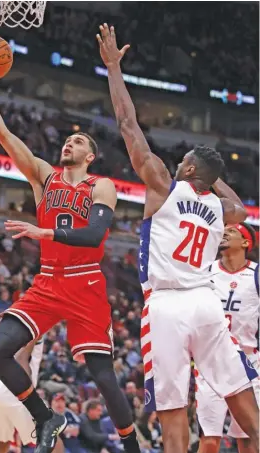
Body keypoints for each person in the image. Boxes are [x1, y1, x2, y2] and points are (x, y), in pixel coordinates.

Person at [96, 23, 259, 453]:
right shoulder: (220, 210)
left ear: (186, 170)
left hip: (166, 305)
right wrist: (215, 180)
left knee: (173, 417)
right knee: (246, 411)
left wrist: (114, 68)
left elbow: (128, 124)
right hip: (206, 303)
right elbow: (241, 209)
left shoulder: (164, 185)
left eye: (183, 159)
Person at [0, 57, 140, 453]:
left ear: (90, 156)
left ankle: (132, 448)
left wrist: (45, 230)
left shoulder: (102, 186)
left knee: (103, 377)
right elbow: (3, 133)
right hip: (49, 279)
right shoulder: (45, 176)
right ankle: (46, 418)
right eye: (68, 140)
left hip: (85, 282)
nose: (70, 143)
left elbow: (95, 233)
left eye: (78, 142)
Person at [196, 223, 259, 453]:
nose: (223, 234)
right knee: (209, 439)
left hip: (248, 362)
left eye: (230, 232)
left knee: (248, 439)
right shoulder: (205, 270)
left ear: (245, 243)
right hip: (211, 362)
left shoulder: (256, 275)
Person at [0, 340, 52, 453]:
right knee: (50, 438)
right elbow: (22, 359)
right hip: (14, 388)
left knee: (2, 443)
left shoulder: (5, 326)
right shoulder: (33, 327)